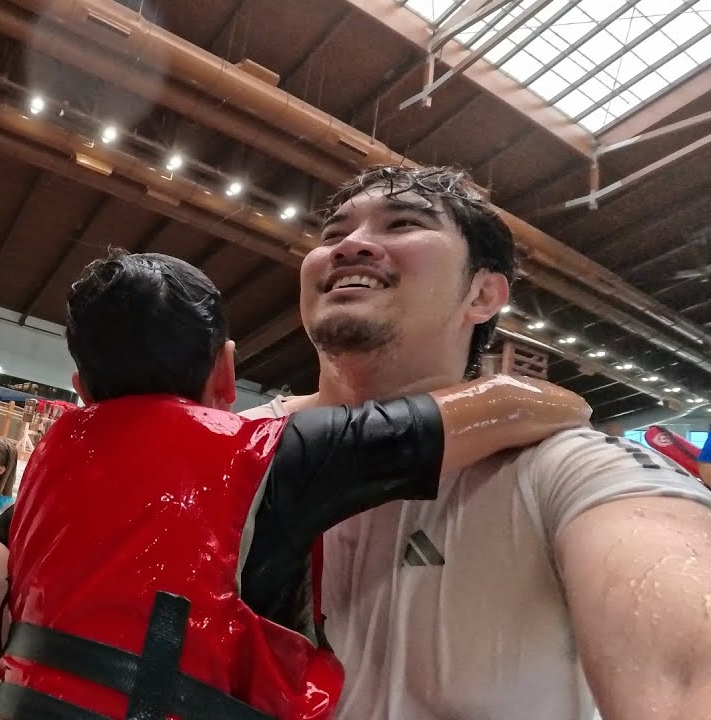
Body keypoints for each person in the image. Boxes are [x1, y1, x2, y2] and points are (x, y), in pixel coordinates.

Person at [0, 249, 590, 719]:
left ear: (80, 388)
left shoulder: (52, 460)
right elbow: (520, 406)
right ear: (226, 374)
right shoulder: (286, 451)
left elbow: (14, 622)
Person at [237, 165, 711, 719]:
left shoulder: (562, 465)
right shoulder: (232, 449)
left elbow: (687, 662)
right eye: (334, 235)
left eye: (404, 223)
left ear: (483, 293)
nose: (353, 246)